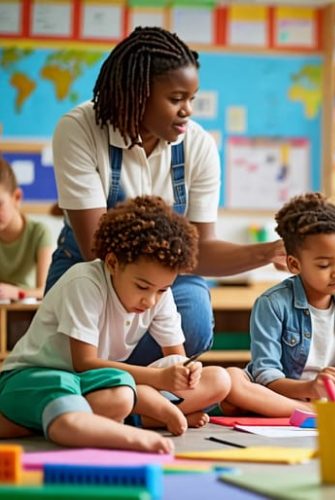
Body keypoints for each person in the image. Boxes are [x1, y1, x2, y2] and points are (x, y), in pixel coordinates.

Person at [48, 26, 285, 366]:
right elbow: (95, 249)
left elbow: (200, 250)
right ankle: (124, 390)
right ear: (138, 92)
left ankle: (129, 393)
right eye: (176, 99)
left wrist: (269, 251)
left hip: (165, 275)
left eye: (191, 98)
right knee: (65, 347)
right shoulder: (79, 129)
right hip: (89, 266)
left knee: (194, 324)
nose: (187, 110)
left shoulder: (199, 145)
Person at [0, 196, 231, 450]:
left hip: (93, 384)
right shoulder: (85, 281)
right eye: (142, 286)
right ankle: (137, 426)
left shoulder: (158, 295)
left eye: (163, 289)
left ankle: (136, 413)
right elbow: (84, 363)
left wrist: (186, 373)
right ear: (112, 263)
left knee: (217, 379)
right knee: (112, 391)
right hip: (44, 375)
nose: (151, 300)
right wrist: (160, 379)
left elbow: (176, 358)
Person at [222, 193, 335, 416]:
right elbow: (267, 374)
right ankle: (313, 410)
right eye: (323, 265)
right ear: (294, 264)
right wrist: (310, 388)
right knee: (231, 380)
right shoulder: (271, 304)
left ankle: (322, 409)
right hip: (286, 392)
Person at [0, 154, 53, 300]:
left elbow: (45, 291)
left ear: (16, 197)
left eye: (0, 204)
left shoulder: (39, 233)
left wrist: (15, 292)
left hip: (26, 314)